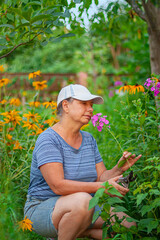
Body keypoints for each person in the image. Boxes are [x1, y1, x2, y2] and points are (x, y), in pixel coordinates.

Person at [24, 84, 141, 240]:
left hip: (84, 207)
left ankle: (80, 230)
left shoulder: (88, 140)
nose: (91, 109)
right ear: (65, 106)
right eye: (84, 103)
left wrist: (119, 169)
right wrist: (103, 187)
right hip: (43, 209)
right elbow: (58, 185)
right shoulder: (48, 140)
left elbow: (101, 177)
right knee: (84, 200)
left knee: (129, 226)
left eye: (91, 105)